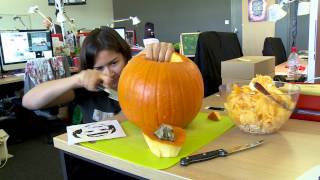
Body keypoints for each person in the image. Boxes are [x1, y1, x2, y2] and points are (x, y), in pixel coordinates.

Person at [22, 27, 174, 123]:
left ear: (126, 57)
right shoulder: (87, 89)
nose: (109, 73)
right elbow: (29, 101)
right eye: (99, 68)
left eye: (114, 63)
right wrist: (77, 79)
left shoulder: (144, 82)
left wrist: (164, 52)